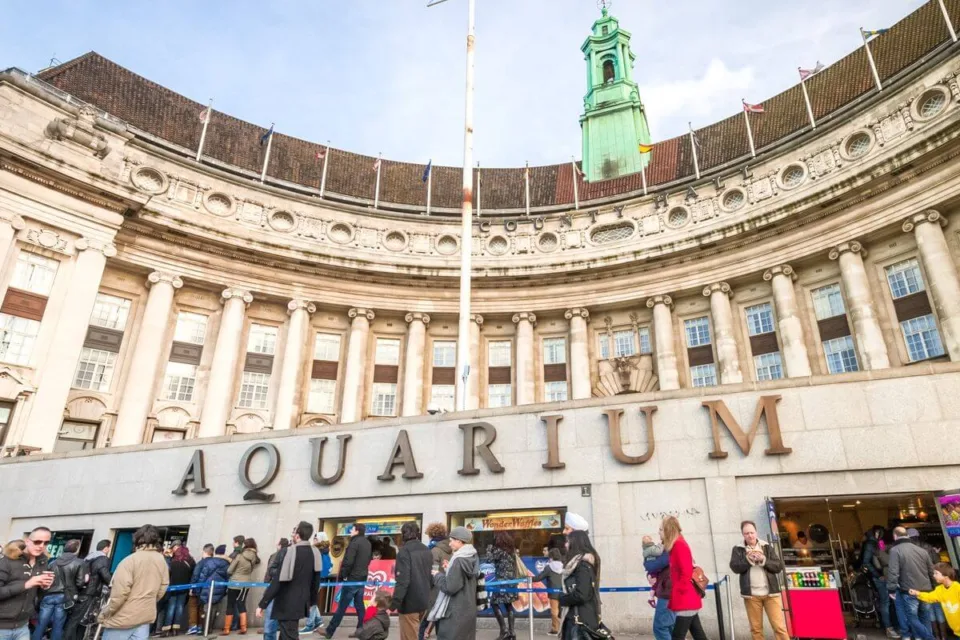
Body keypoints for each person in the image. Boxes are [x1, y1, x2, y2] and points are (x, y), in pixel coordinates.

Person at [98, 524, 170, 640]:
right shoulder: (161, 560)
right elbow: (163, 586)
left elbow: (120, 594)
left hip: (123, 618)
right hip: (145, 615)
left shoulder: (129, 561)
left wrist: (106, 612)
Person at [257, 522, 321, 640]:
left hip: (286, 603)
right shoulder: (315, 552)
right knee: (286, 634)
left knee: (289, 635)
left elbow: (278, 581)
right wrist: (312, 601)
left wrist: (263, 603)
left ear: (297, 536)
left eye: (294, 531)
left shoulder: (290, 551)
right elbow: (315, 582)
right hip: (301, 602)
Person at [729, 521, 788, 640]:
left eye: (752, 532)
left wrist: (764, 560)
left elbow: (778, 566)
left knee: (779, 627)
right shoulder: (738, 549)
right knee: (756, 630)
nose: (750, 536)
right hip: (751, 596)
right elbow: (735, 567)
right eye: (746, 533)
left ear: (756, 532)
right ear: (743, 534)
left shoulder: (766, 546)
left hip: (771, 594)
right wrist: (748, 560)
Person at [427, 527, 478, 640]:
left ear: (459, 541)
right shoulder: (472, 556)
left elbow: (450, 588)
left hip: (455, 613)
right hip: (468, 611)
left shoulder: (458, 560)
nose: (449, 544)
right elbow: (463, 580)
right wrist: (449, 569)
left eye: (451, 540)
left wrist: (437, 575)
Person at [1, 532, 55, 640]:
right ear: (27, 541)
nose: (41, 546)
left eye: (46, 543)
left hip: (23, 625)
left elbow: (37, 595)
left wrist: (44, 587)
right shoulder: (6, 562)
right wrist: (27, 584)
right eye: (37, 542)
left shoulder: (42, 562)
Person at [662, 516, 707, 640]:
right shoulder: (677, 544)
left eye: (661, 529)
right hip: (687, 598)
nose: (659, 532)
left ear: (668, 530)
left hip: (686, 598)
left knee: (677, 636)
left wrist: (678, 590)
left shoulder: (679, 545)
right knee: (698, 634)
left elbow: (686, 572)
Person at [324, 524, 372, 639]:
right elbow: (368, 560)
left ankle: (329, 631)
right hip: (362, 579)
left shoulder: (354, 543)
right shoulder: (367, 543)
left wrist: (343, 575)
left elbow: (348, 561)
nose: (350, 531)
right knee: (360, 606)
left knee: (342, 606)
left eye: (352, 529)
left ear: (357, 531)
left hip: (351, 580)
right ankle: (361, 630)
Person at [888, 526, 935, 640]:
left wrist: (892, 589)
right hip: (926, 589)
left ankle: (927, 638)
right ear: (907, 535)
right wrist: (932, 586)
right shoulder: (922, 550)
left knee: (912, 617)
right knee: (925, 617)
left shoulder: (895, 550)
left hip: (909, 590)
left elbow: (893, 572)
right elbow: (931, 570)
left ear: (895, 536)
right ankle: (925, 637)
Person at [34, 538, 84, 640]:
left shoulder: (53, 562)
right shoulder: (79, 562)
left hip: (48, 595)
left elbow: (46, 579)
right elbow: (80, 583)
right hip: (64, 597)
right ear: (76, 549)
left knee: (40, 624)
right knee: (58, 626)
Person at [558, 530, 603, 639]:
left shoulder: (582, 566)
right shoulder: (578, 565)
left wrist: (563, 599)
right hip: (578, 617)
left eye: (568, 542)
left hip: (580, 619)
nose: (565, 545)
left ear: (575, 543)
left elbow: (582, 594)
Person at [391, 522, 432, 640]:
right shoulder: (426, 550)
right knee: (415, 634)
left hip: (409, 603)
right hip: (424, 600)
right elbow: (431, 576)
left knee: (409, 637)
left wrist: (394, 603)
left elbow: (403, 580)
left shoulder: (404, 552)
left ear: (403, 534)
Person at [65, 539, 113, 640]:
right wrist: (112, 583)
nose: (109, 549)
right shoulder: (102, 558)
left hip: (81, 590)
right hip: (90, 592)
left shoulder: (88, 557)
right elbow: (103, 573)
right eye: (109, 547)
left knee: (76, 618)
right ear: (105, 548)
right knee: (80, 619)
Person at [861, 527, 900, 639]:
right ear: (877, 533)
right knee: (886, 602)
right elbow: (866, 562)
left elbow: (882, 557)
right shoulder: (871, 544)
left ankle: (893, 626)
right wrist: (878, 575)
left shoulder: (877, 543)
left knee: (889, 602)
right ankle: (889, 628)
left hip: (885, 575)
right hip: (881, 577)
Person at [420, 524, 453, 640]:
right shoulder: (451, 549)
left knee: (424, 621)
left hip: (435, 590)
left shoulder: (434, 550)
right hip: (447, 588)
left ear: (431, 535)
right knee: (442, 623)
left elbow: (432, 572)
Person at [911, 563, 960, 637]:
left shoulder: (957, 588)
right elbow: (930, 597)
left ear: (945, 575)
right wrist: (917, 593)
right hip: (956, 631)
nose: (934, 575)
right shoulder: (939, 589)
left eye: (936, 573)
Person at [486, 532, 519, 640]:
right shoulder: (511, 551)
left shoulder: (498, 551)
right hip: (512, 582)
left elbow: (489, 560)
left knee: (494, 603)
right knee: (508, 605)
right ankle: (512, 632)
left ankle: (504, 630)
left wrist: (489, 549)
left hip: (502, 582)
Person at [155, 546, 193, 637]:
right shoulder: (189, 564)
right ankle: (176, 629)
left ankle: (167, 629)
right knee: (179, 608)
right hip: (184, 589)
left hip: (172, 589)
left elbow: (167, 575)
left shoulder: (172, 563)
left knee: (171, 608)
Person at [192, 545, 230, 634]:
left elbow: (203, 576)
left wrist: (197, 590)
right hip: (220, 589)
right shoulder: (227, 563)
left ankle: (204, 629)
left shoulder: (210, 562)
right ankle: (210, 628)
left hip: (207, 588)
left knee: (206, 609)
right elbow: (227, 578)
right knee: (214, 609)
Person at [224, 538, 260, 635]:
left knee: (230, 604)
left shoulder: (239, 556)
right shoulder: (254, 557)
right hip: (246, 583)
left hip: (234, 583)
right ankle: (243, 627)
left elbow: (229, 570)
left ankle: (227, 629)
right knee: (241, 603)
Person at [644, 532, 674, 640]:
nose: (659, 532)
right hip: (667, 591)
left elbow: (652, 565)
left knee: (660, 627)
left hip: (668, 592)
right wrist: (649, 574)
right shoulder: (663, 547)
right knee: (671, 627)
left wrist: (650, 568)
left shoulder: (670, 547)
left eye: (661, 529)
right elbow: (651, 565)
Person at [299, 534, 330, 635]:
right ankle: (318, 621)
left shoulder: (319, 552)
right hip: (318, 579)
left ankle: (310, 624)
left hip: (316, 580)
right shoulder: (323, 551)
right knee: (312, 601)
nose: (314, 540)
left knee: (311, 601)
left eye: (316, 538)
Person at [532, 548, 563, 636]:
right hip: (563, 592)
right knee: (563, 611)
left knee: (554, 612)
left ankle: (555, 629)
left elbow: (539, 578)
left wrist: (529, 578)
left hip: (553, 593)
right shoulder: (563, 566)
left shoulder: (549, 567)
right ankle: (563, 629)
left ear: (551, 556)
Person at [262, 539, 288, 640]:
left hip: (276, 589)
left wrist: (267, 585)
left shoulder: (276, 555)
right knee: (272, 622)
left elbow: (270, 571)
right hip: (277, 588)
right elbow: (271, 570)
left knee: (271, 622)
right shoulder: (277, 555)